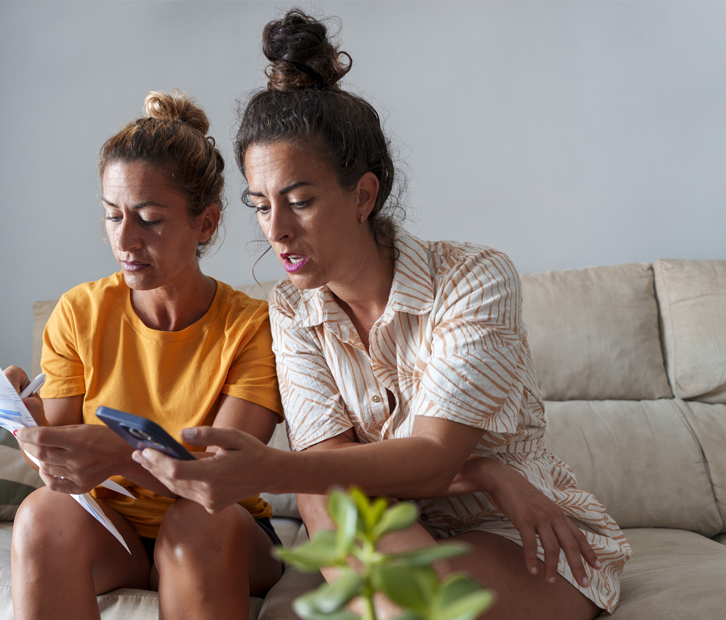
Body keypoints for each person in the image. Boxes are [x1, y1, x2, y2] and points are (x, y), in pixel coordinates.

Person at [132, 10, 633, 620]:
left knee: (404, 592)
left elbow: (429, 455)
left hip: (510, 526)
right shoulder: (291, 310)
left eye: (300, 201)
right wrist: (485, 470)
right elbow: (327, 483)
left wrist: (274, 467)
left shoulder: (475, 279)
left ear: (363, 195)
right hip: (378, 519)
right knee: (352, 531)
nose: (277, 231)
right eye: (260, 206)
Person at [6, 90, 285, 620]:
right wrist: (22, 419)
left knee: (194, 526)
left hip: (224, 524)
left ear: (205, 224)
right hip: (118, 529)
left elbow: (221, 479)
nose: (126, 240)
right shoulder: (80, 312)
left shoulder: (252, 326)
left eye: (151, 219)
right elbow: (64, 462)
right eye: (113, 216)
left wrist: (117, 454)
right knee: (42, 514)